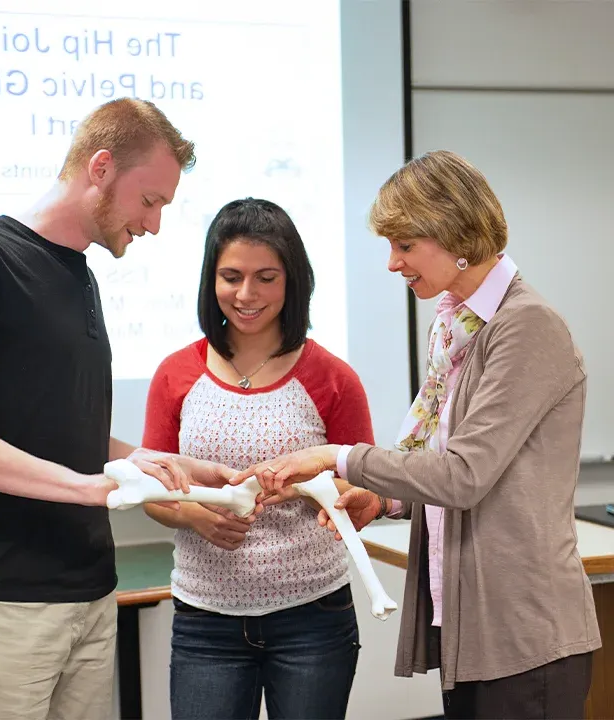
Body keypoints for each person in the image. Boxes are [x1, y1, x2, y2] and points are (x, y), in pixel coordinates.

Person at [232, 151, 601, 720]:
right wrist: (382, 497)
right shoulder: (458, 323)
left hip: (525, 633)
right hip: (475, 627)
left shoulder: (526, 326)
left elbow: (464, 474)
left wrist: (336, 456)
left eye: (404, 245)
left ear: (454, 233)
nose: (392, 263)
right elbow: (439, 458)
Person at [0, 98, 228, 720]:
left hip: (89, 595)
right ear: (101, 167)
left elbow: (54, 429)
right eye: (150, 201)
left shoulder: (80, 276)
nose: (155, 224)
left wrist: (160, 462)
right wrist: (88, 488)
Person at [138, 197, 374, 720]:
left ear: (293, 281)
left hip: (314, 616)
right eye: (231, 277)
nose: (246, 295)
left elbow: (364, 485)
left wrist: (342, 495)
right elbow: (154, 490)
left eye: (266, 277)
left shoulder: (333, 378)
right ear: (211, 279)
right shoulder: (176, 373)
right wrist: (194, 516)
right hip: (205, 620)